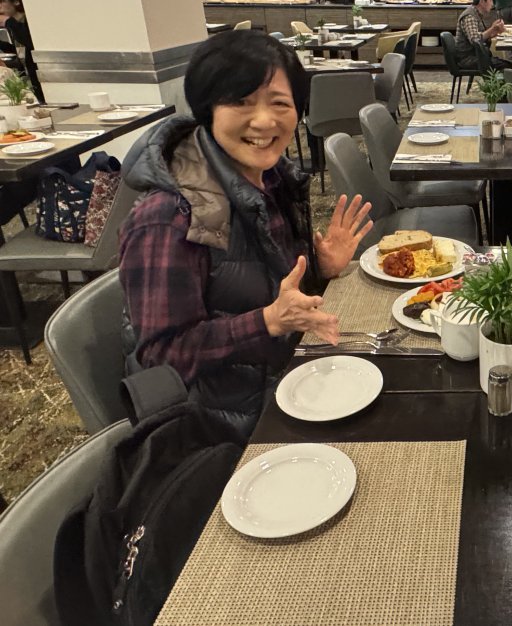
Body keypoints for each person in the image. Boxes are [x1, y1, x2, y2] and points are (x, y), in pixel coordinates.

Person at [119, 30, 373, 436]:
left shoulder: (271, 179)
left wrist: (320, 270)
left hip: (291, 379)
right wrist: (268, 322)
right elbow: (160, 358)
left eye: (280, 103)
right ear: (207, 109)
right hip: (224, 426)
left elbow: (272, 292)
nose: (264, 121)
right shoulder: (168, 216)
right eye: (241, 102)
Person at [0, 0, 43, 101]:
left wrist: (8, 22)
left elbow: (29, 42)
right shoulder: (14, 25)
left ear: (16, 1)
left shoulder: (28, 21)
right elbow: (19, 50)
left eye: (1, 1)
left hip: (41, 76)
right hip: (29, 78)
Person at [454, 0, 510, 70]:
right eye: (490, 0)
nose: (492, 4)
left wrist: (494, 32)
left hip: (476, 56)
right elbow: (475, 40)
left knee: (507, 64)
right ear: (482, 1)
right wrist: (492, 29)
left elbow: (481, 37)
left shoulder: (477, 14)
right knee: (508, 67)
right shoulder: (470, 16)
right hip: (468, 59)